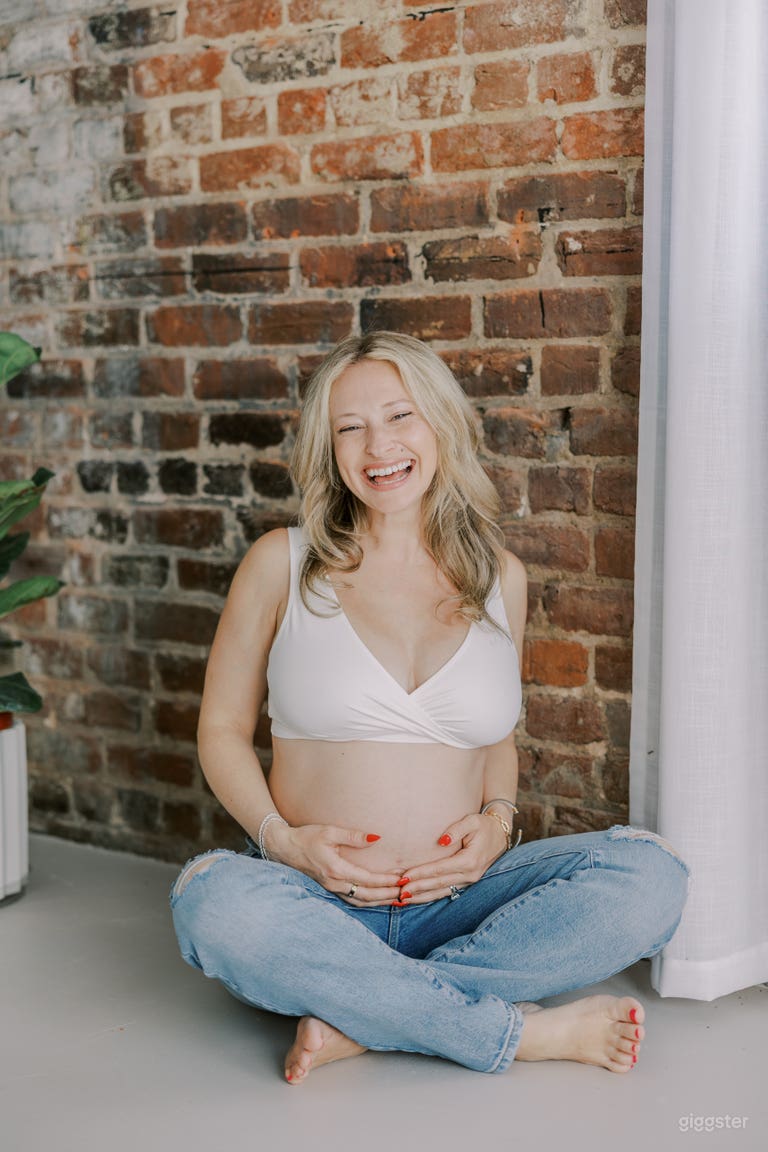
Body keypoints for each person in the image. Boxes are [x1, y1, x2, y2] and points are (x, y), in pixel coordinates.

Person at [170, 331, 690, 1083]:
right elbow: (220, 731)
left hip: (465, 901)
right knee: (211, 901)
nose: (378, 445)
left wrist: (498, 822)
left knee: (654, 876)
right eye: (350, 428)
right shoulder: (280, 563)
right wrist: (282, 843)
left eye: (399, 415)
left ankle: (371, 1015)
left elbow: (496, 742)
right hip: (316, 897)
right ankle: (509, 1030)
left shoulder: (497, 576)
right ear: (330, 449)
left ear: (439, 425)